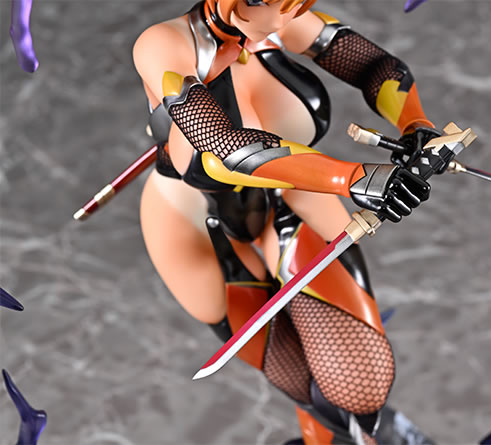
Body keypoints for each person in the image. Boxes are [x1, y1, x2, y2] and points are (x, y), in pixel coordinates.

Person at [133, 0, 438, 443]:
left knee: (359, 385)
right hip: (195, 218)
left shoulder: (285, 21)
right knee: (305, 386)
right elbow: (222, 148)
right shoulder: (165, 44)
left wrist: (415, 125)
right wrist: (353, 178)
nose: (278, 20)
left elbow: (375, 66)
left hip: (297, 198)